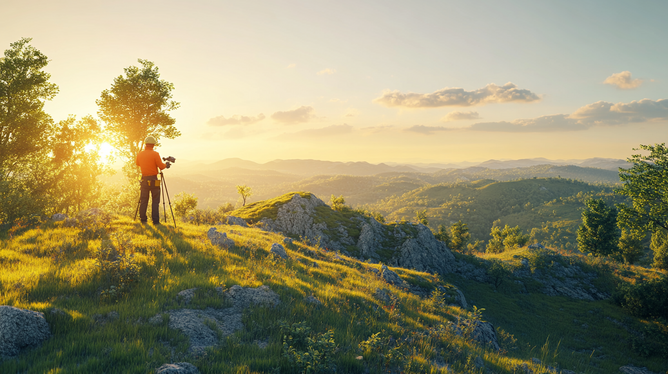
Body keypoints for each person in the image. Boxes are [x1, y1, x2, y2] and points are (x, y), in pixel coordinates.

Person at [136, 136, 166, 224]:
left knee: (144, 200)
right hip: (154, 179)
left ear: (146, 144)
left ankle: (143, 219)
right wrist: (166, 165)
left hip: (144, 179)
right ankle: (155, 221)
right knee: (155, 201)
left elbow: (137, 163)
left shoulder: (140, 154)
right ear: (153, 145)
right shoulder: (155, 154)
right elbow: (161, 166)